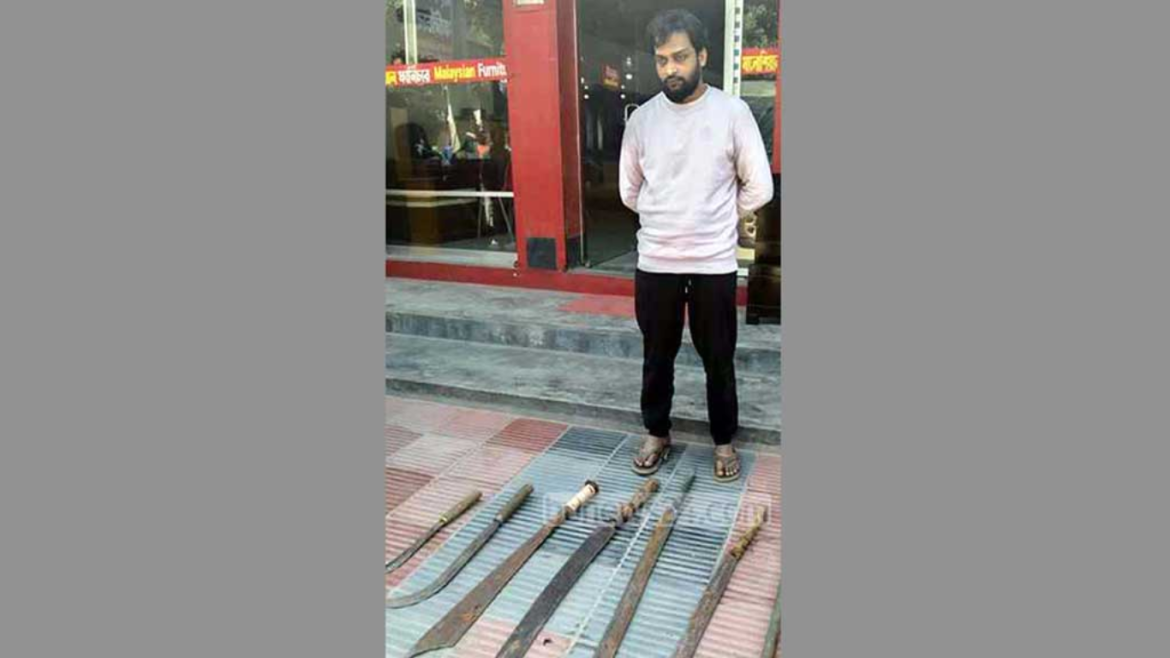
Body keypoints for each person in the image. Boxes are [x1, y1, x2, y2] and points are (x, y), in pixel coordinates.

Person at [620, 9, 773, 483]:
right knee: (656, 356)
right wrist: (668, 218)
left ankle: (724, 440)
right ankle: (657, 433)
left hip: (712, 262)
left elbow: (760, 185)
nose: (671, 68)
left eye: (680, 57)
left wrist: (717, 218)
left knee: (718, 357)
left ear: (702, 56)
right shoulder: (642, 120)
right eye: (662, 59)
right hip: (657, 261)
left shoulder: (732, 113)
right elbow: (629, 190)